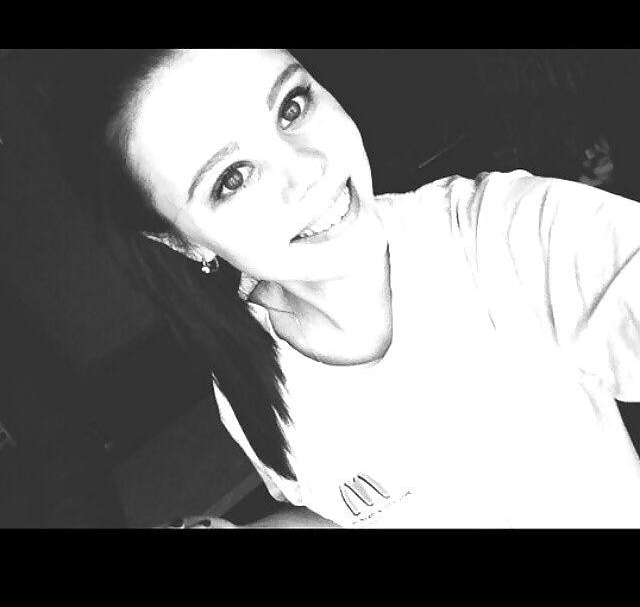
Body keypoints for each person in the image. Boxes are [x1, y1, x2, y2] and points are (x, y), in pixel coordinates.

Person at [54, 49, 640, 528]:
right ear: (182, 243)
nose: (309, 167)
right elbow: (357, 510)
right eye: (232, 178)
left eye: (291, 106)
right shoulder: (245, 371)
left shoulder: (500, 235)